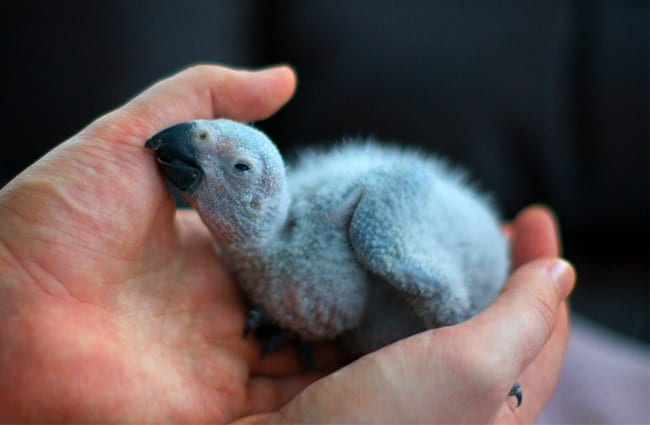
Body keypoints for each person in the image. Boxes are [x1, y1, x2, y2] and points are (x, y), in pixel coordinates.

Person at [0, 64, 575, 423]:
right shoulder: (261, 252)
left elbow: (400, 189)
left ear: (257, 198)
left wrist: (473, 337)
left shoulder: (360, 232)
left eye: (239, 167)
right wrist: (23, 278)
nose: (194, 145)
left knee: (383, 246)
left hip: (452, 263)